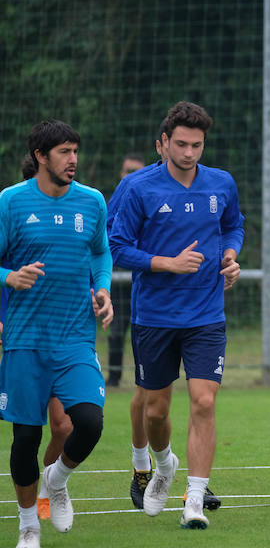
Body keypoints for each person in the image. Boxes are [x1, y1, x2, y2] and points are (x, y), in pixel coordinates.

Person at [109, 102, 244, 529]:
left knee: (204, 402)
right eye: (181, 144)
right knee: (155, 412)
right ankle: (163, 465)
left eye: (197, 145)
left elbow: (234, 224)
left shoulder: (221, 183)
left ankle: (194, 501)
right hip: (155, 316)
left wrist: (230, 254)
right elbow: (116, 246)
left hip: (206, 313)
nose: (189, 153)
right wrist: (165, 263)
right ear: (163, 143)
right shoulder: (137, 188)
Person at [0, 119, 113, 548]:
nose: (73, 160)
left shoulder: (92, 201)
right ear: (40, 157)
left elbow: (101, 251)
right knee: (26, 438)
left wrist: (102, 287)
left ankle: (58, 477)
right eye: (64, 152)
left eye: (75, 151)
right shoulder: (10, 202)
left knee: (89, 422)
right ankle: (28, 525)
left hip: (75, 338)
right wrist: (9, 277)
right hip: (25, 341)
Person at [106, 153, 145, 388]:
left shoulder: (150, 198)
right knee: (117, 330)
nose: (132, 176)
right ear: (121, 174)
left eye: (137, 171)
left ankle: (145, 377)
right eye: (128, 171)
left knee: (144, 330)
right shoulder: (113, 202)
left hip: (144, 276)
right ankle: (114, 378)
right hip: (119, 279)